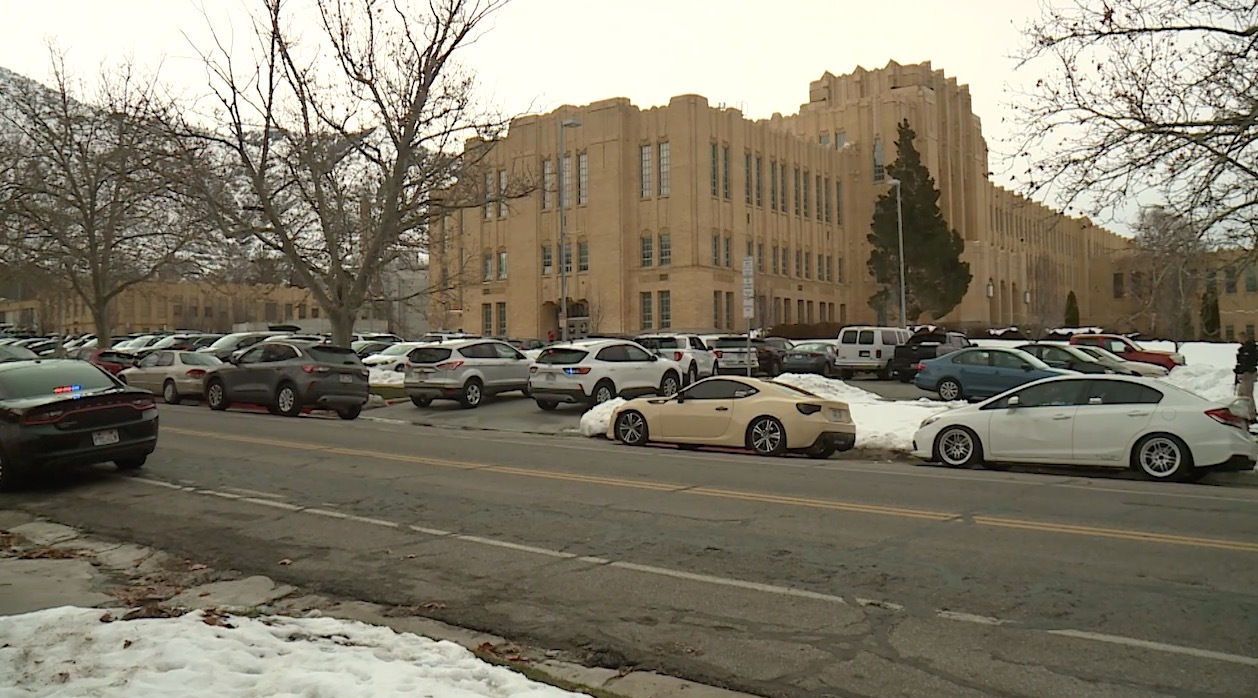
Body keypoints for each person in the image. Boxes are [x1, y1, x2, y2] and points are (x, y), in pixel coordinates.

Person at [1233, 333, 1257, 423]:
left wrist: (1241, 369)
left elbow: (1247, 361)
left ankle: (1251, 416)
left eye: (1238, 338)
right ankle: (1246, 413)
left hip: (1248, 373)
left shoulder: (1248, 348)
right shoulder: (1248, 347)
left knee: (1246, 395)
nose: (1238, 340)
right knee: (1242, 394)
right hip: (1246, 373)